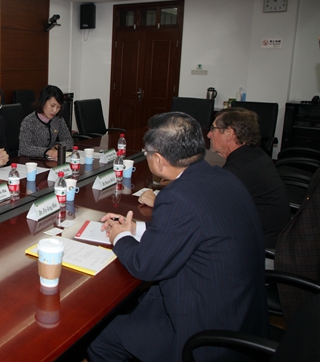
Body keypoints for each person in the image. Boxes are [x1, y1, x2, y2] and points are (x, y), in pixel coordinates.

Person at [89, 112, 267, 362]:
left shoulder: (178, 195)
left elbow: (145, 266)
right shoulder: (221, 176)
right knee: (139, 306)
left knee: (101, 341)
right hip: (240, 311)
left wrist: (120, 237)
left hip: (206, 331)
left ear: (159, 160)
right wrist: (135, 229)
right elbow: (191, 230)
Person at [139, 107, 289, 249]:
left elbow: (198, 208)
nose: (209, 135)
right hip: (260, 235)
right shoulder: (252, 157)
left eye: (213, 129)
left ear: (229, 133)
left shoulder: (238, 170)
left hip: (256, 245)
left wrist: (157, 201)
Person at [18, 85, 74, 159]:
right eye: (52, 105)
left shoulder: (58, 119)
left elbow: (69, 140)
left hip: (48, 160)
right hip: (29, 161)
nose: (55, 110)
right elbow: (24, 148)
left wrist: (57, 146)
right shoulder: (29, 121)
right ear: (43, 102)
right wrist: (47, 151)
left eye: (58, 107)